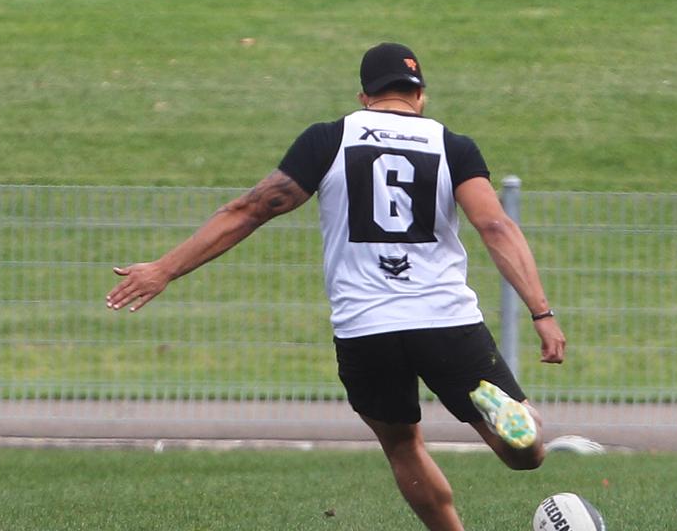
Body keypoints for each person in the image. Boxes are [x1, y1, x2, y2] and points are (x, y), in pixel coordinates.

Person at [108, 42, 566, 531]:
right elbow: (495, 227)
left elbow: (250, 210)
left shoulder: (329, 139)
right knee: (526, 457)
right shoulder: (452, 146)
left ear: (364, 96)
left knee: (403, 446)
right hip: (446, 322)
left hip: (366, 329)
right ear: (421, 94)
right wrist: (541, 312)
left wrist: (164, 269)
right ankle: (514, 424)